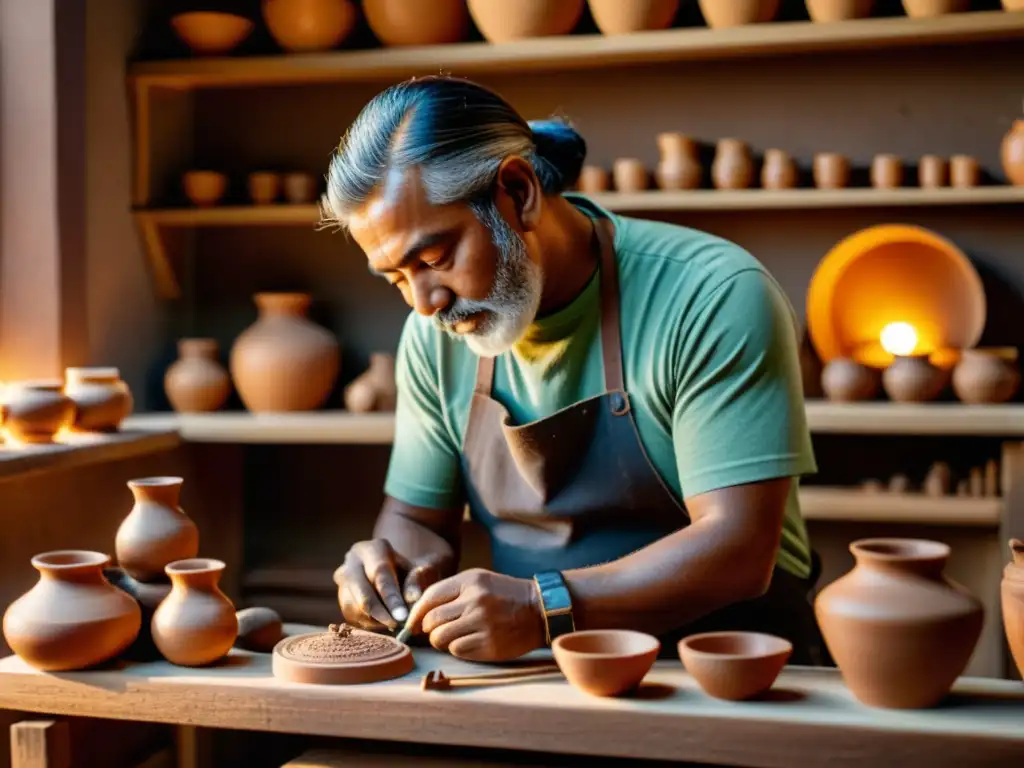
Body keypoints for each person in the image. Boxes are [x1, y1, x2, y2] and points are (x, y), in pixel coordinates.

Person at [322, 75, 827, 665]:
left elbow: (738, 550)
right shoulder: (433, 338)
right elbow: (416, 519)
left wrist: (543, 607)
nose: (424, 302)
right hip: (538, 671)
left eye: (433, 259)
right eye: (397, 279)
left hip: (726, 666)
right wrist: (391, 569)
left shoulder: (711, 294)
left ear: (519, 190)